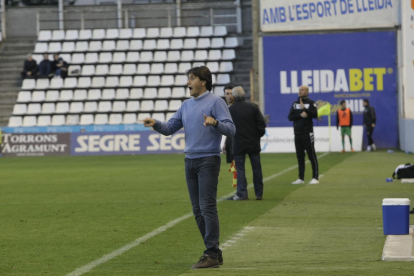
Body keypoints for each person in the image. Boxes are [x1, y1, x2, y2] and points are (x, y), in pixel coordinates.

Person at [143, 66, 235, 269]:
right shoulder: (186, 105)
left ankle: (211, 252)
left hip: (208, 160)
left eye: (192, 78)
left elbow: (231, 128)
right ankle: (215, 253)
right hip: (190, 161)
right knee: (197, 210)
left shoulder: (216, 102)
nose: (188, 82)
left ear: (203, 81)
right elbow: (169, 128)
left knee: (207, 207)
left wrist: (215, 122)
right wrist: (155, 123)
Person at [227, 86, 266, 200]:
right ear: (244, 95)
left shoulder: (231, 110)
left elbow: (228, 127)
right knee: (257, 169)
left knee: (240, 169)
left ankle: (242, 193)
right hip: (253, 143)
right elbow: (261, 124)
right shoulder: (253, 107)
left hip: (238, 143)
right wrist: (257, 136)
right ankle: (259, 194)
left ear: (233, 96)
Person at [288, 85, 319, 185]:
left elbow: (315, 115)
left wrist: (305, 110)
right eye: (299, 90)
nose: (300, 91)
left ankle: (315, 177)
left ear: (306, 92)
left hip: (307, 132)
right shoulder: (295, 103)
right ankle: (301, 178)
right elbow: (290, 117)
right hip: (297, 133)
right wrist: (300, 115)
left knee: (311, 155)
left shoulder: (311, 103)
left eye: (302, 90)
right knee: (300, 156)